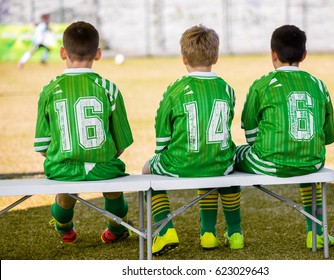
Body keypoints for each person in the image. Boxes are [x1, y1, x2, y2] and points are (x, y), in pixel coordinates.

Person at [142, 24, 244, 255]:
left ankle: (165, 229)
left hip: (181, 163)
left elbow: (161, 135)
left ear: (183, 58)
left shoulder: (174, 89)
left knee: (148, 171)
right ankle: (231, 232)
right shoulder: (226, 89)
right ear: (215, 57)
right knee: (225, 165)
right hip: (219, 163)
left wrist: (165, 151)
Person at [235, 24, 334, 249]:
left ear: (272, 54)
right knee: (304, 157)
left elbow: (250, 132)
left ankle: (232, 232)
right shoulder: (319, 84)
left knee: (226, 156)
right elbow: (327, 136)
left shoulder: (261, 85)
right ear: (304, 55)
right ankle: (316, 232)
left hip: (269, 162)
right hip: (313, 161)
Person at [33, 21, 134, 244]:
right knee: (114, 188)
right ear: (98, 54)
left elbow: (42, 147)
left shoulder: (49, 89)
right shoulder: (109, 88)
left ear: (62, 53)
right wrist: (100, 157)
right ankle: (116, 230)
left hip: (63, 168)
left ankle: (64, 227)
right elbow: (121, 144)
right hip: (103, 167)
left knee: (66, 192)